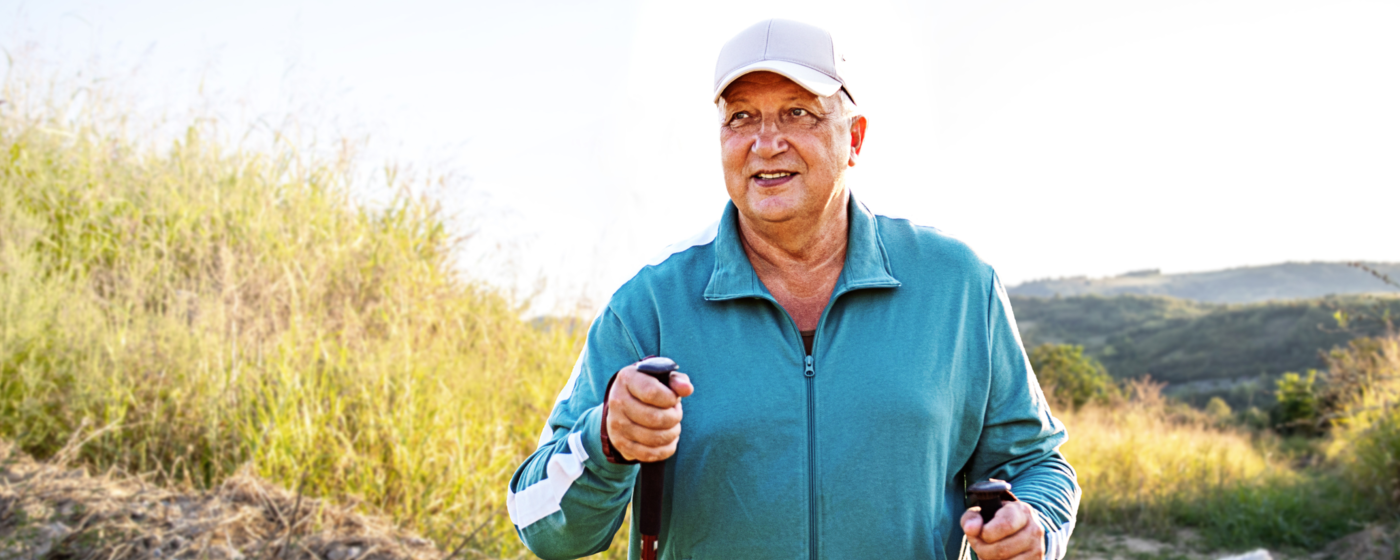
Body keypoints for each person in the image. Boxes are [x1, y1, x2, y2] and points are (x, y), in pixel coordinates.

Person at [508, 18, 1079, 560]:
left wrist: (1034, 530)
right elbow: (539, 523)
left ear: (854, 138)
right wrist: (606, 438)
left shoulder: (957, 287)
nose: (765, 142)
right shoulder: (648, 306)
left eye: (798, 113)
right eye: (741, 117)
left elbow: (1036, 463)